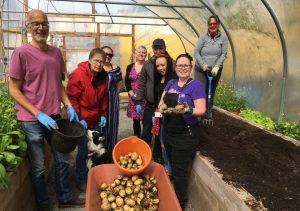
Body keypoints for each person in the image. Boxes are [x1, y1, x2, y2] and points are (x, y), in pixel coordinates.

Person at [8, 9, 84, 210]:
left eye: (44, 23)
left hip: (54, 117)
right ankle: (43, 204)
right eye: (36, 23)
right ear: (28, 27)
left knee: (62, 160)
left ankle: (65, 198)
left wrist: (68, 104)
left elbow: (58, 84)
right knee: (39, 168)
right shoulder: (21, 53)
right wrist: (37, 113)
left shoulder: (55, 52)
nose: (41, 27)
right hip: (32, 120)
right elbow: (13, 90)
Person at [158, 53, 206, 209]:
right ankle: (176, 195)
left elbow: (201, 109)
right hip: (168, 132)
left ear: (190, 68)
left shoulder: (196, 85)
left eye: (186, 65)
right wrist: (161, 110)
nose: (182, 68)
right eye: (180, 65)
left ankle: (180, 203)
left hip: (185, 136)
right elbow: (161, 103)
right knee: (172, 164)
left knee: (180, 172)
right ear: (175, 67)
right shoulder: (171, 83)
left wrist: (188, 110)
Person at [66, 48, 108, 192]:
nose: (98, 64)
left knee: (97, 148)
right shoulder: (78, 74)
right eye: (96, 60)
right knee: (83, 149)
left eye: (101, 61)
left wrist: (103, 114)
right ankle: (81, 179)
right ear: (90, 60)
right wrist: (80, 118)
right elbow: (72, 98)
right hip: (81, 118)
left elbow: (103, 98)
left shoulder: (104, 77)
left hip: (95, 117)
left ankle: (95, 174)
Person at [134, 38, 175, 150]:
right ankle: (144, 154)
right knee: (146, 131)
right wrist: (138, 100)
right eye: (155, 48)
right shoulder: (147, 64)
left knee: (160, 132)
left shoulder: (172, 63)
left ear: (165, 48)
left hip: (164, 106)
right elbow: (142, 83)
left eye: (160, 48)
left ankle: (158, 156)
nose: (158, 51)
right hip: (150, 105)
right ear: (152, 49)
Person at [194, 14, 228, 111]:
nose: (212, 26)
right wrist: (203, 65)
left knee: (211, 90)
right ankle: (199, 110)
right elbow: (196, 52)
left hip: (215, 69)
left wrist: (217, 67)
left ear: (218, 25)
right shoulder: (203, 38)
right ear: (208, 25)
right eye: (210, 24)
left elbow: (223, 54)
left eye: (214, 23)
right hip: (201, 69)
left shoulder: (223, 39)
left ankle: (209, 110)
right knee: (201, 89)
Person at [152, 53, 177, 163]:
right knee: (159, 137)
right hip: (160, 113)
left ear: (169, 64)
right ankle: (160, 160)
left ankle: (169, 167)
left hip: (169, 115)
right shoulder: (159, 78)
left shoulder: (174, 80)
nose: (160, 68)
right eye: (158, 66)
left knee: (166, 140)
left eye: (163, 65)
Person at [101, 46, 122, 152]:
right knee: (101, 125)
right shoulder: (97, 68)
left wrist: (114, 95)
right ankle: (101, 151)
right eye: (105, 54)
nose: (108, 56)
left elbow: (119, 83)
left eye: (110, 55)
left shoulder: (116, 69)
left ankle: (111, 150)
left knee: (112, 124)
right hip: (100, 101)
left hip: (113, 101)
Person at [125, 45, 147, 137]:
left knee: (146, 120)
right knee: (136, 120)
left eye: (143, 52)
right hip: (133, 97)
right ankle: (137, 138)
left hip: (145, 97)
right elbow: (127, 81)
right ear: (135, 53)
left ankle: (146, 140)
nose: (141, 54)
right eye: (139, 52)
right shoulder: (130, 66)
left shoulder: (148, 66)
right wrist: (131, 93)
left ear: (146, 55)